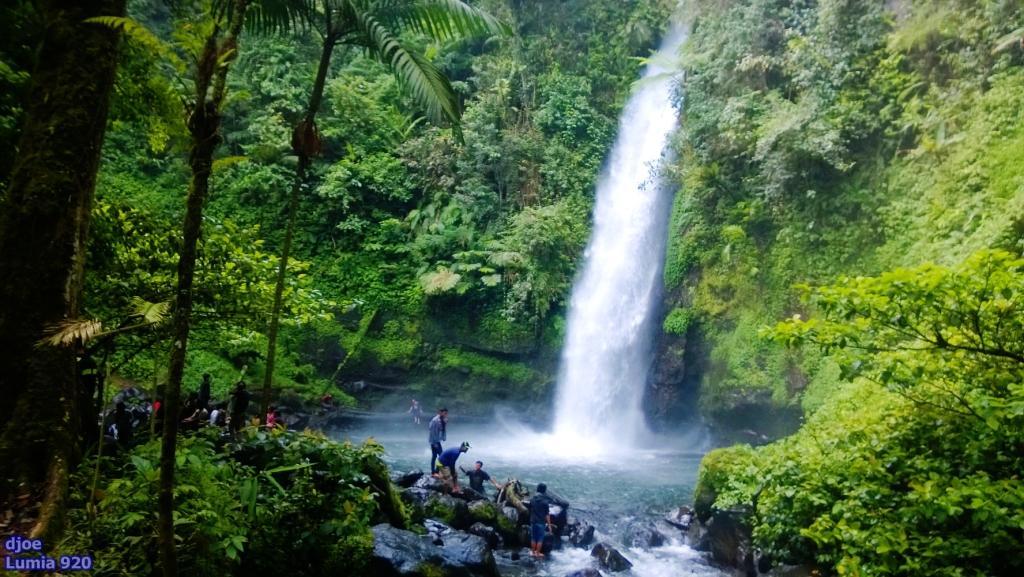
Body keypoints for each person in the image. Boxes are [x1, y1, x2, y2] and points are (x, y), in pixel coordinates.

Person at [529, 483, 554, 558]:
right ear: (544, 491)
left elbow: (530, 509)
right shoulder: (545, 502)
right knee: (540, 538)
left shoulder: (532, 499)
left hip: (533, 521)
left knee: (533, 537)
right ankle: (537, 553)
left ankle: (533, 552)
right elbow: (547, 514)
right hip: (541, 522)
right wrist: (549, 525)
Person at [428, 407, 447, 473]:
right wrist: (434, 443)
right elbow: (432, 431)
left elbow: (441, 429)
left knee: (435, 456)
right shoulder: (435, 420)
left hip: (437, 440)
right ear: (440, 413)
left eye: (446, 413)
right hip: (434, 441)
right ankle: (436, 471)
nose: (445, 415)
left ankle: (434, 471)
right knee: (441, 456)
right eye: (444, 413)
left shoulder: (441, 419)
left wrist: (445, 423)